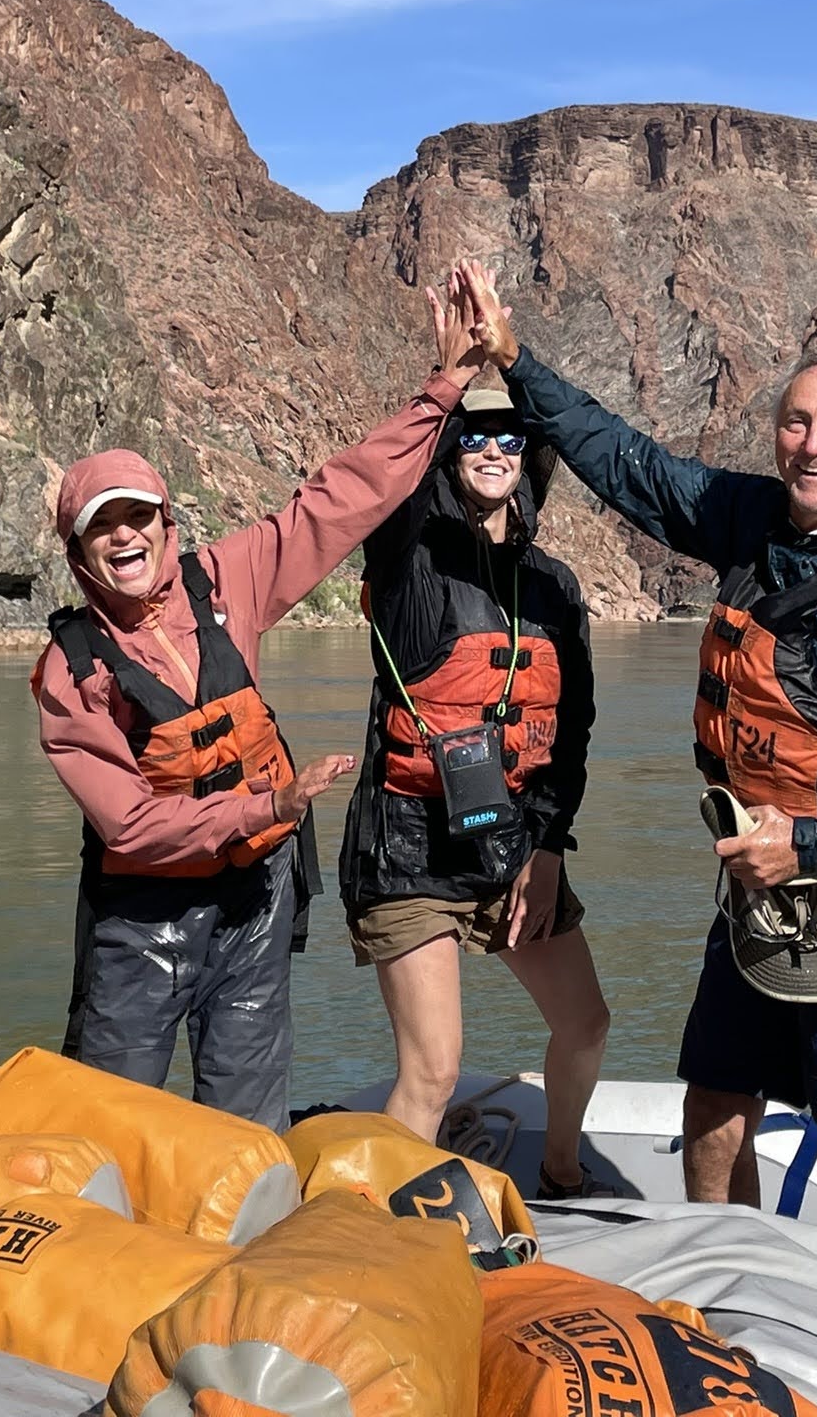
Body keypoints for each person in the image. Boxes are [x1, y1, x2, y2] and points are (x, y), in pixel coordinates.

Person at [456, 258, 817, 1268]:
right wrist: (514, 361)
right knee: (713, 1114)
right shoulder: (752, 519)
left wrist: (814, 840)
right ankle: (733, 1312)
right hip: (763, 892)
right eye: (797, 422)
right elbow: (630, 464)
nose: (814, 443)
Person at [33, 294, 483, 1133]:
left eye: (140, 516)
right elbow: (129, 826)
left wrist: (443, 389)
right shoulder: (73, 669)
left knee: (244, 1122)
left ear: (167, 525)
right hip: (142, 921)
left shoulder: (225, 582)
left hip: (256, 898)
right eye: (104, 527)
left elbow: (337, 502)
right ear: (78, 552)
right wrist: (269, 807)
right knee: (105, 1124)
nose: (126, 537)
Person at [340, 284, 610, 1197]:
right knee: (433, 1071)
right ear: (455, 454)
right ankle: (368, 1240)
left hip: (512, 845)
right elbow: (395, 490)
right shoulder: (411, 564)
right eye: (476, 438)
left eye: (510, 439)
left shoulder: (558, 587)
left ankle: (563, 1169)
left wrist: (548, 845)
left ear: (530, 459)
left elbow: (570, 739)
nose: (493, 451)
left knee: (587, 1026)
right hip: (411, 848)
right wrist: (451, 377)